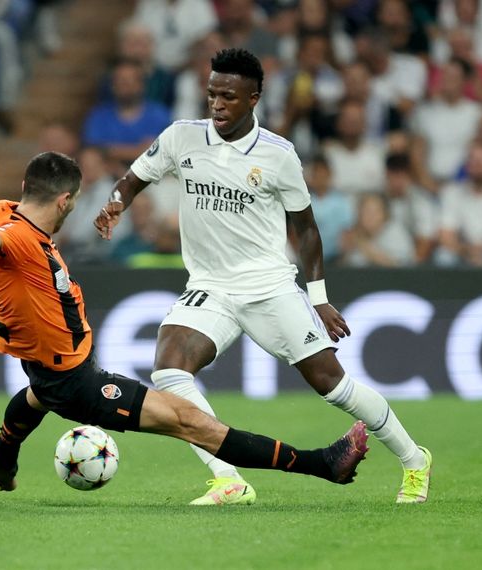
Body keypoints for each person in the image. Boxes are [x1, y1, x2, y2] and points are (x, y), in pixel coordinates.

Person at [0, 151, 370, 498]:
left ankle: (3, 459)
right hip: (76, 384)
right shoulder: (18, 238)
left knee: (35, 397)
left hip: (57, 372)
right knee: (195, 424)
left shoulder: (7, 211)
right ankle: (324, 463)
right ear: (66, 200)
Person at [93, 48, 432, 505]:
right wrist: (116, 203)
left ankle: (414, 460)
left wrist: (319, 297)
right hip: (209, 286)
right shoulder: (181, 138)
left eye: (228, 97)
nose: (216, 104)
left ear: (253, 98)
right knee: (170, 368)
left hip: (269, 287)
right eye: (211, 94)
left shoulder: (278, 155)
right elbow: (134, 178)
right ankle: (228, 479)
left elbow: (306, 228)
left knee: (334, 386)